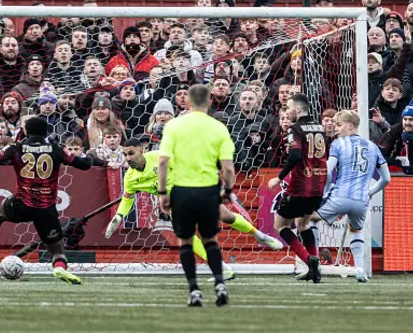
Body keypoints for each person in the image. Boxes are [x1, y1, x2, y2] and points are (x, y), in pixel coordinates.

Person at [0, 117, 97, 285]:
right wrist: (91, 156)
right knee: (57, 248)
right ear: (46, 133)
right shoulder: (55, 149)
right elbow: (84, 165)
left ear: (26, 132)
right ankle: (59, 266)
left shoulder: (17, 147)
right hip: (46, 208)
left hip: (22, 202)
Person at [105, 138, 282, 278]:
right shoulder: (130, 178)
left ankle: (261, 235)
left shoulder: (160, 157)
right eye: (125, 155)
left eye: (131, 153)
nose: (128, 158)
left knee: (225, 216)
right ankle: (222, 268)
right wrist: (119, 216)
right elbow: (127, 199)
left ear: (141, 151)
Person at [156, 83, 234, 307]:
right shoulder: (218, 127)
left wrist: (162, 193)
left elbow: (162, 161)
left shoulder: (174, 126)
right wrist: (227, 191)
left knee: (186, 242)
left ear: (187, 103)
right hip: (209, 190)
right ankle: (219, 284)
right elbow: (228, 168)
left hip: (182, 191)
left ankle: (194, 291)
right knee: (211, 240)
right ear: (210, 102)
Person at [306, 110, 391, 283]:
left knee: (309, 220)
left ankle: (315, 265)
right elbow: (386, 178)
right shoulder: (373, 147)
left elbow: (328, 170)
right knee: (356, 229)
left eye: (339, 125)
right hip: (361, 200)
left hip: (340, 196)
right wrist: (370, 192)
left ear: (350, 125)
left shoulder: (338, 144)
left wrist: (325, 190)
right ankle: (359, 268)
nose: (336, 129)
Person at [267, 93, 326, 284]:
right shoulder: (320, 127)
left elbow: (294, 155)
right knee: (303, 224)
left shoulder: (295, 129)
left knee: (281, 225)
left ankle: (309, 260)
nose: (287, 111)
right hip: (318, 186)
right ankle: (314, 270)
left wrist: (279, 177)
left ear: (298, 109)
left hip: (300, 186)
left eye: (289, 107)